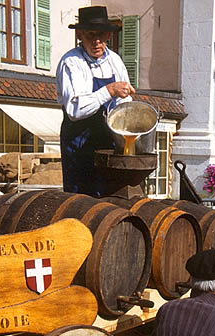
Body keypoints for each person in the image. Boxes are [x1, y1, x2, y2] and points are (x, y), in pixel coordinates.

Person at [56, 6, 135, 196]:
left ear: (108, 35)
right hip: (79, 146)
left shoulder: (115, 61)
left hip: (108, 144)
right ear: (80, 35)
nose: (96, 41)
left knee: (110, 199)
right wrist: (108, 90)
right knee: (82, 200)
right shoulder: (72, 63)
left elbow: (124, 100)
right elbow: (75, 110)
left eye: (101, 35)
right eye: (91, 35)